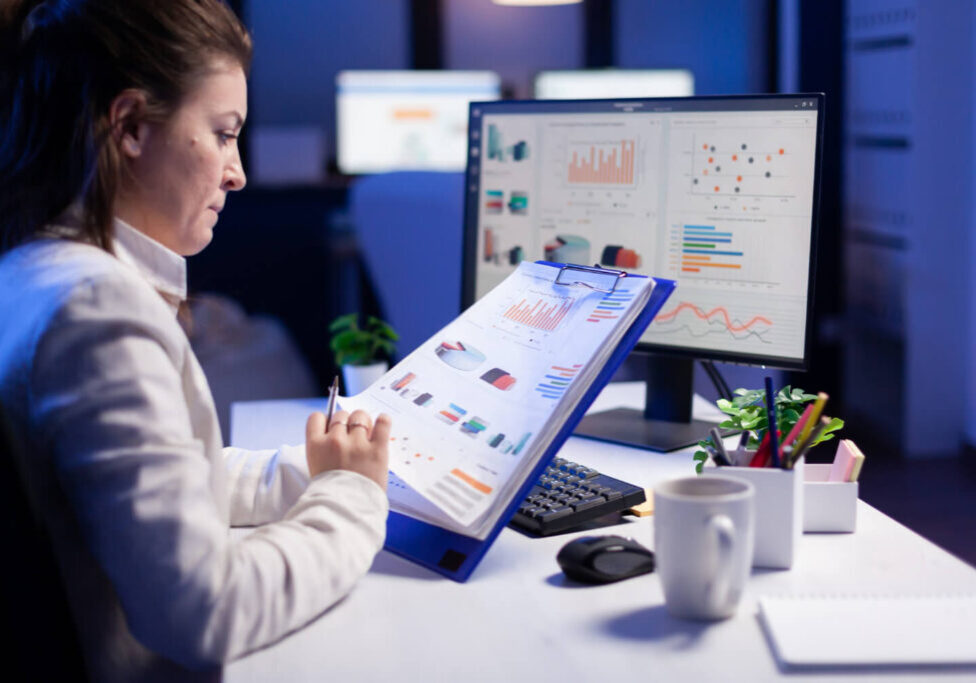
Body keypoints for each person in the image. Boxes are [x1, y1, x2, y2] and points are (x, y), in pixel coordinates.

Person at [0, 1, 391, 681]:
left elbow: (167, 478)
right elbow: (206, 609)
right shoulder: (96, 312)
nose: (236, 173)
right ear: (128, 126)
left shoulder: (32, 269)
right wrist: (351, 502)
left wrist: (312, 474)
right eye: (222, 133)